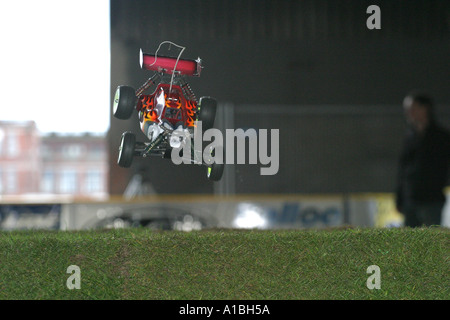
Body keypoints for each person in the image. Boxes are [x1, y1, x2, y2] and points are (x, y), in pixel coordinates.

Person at [395, 92, 450, 227]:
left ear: (424, 108)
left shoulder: (441, 137)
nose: (408, 113)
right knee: (410, 243)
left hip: (432, 199)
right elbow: (403, 168)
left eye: (412, 109)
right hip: (411, 199)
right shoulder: (410, 138)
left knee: (431, 240)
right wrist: (400, 197)